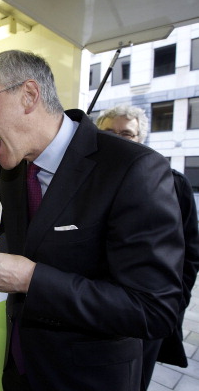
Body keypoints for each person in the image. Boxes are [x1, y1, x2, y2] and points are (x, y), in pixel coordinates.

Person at [0, 50, 184, 391]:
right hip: (21, 371)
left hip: (87, 379)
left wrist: (31, 279)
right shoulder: (12, 170)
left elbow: (153, 310)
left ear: (29, 95)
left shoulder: (133, 169)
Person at [97, 105, 199, 390]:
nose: (117, 139)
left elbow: (189, 254)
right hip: (100, 312)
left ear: (140, 138)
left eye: (126, 134)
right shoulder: (86, 182)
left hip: (145, 315)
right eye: (108, 132)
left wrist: (175, 306)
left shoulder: (172, 182)